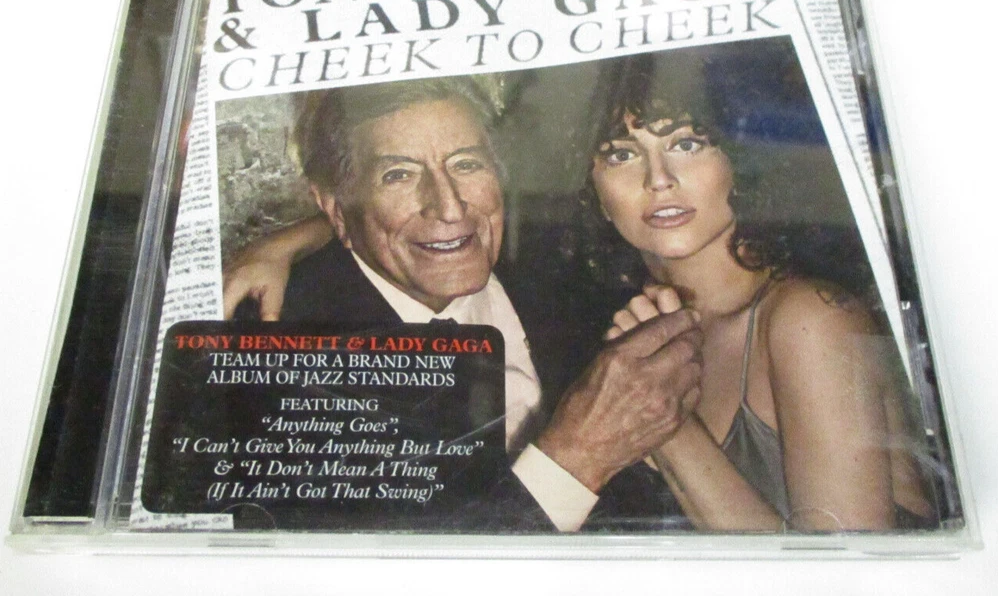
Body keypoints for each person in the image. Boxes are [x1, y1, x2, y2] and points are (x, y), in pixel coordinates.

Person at [224, 76, 702, 532]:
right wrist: (578, 457)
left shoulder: (570, 284)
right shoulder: (283, 355)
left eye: (467, 164)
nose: (450, 207)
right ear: (333, 208)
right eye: (398, 175)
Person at [581, 49, 933, 531]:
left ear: (741, 161)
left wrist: (666, 421)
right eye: (622, 154)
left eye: (687, 144)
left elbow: (842, 570)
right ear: (596, 191)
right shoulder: (622, 329)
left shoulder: (811, 320)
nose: (658, 179)